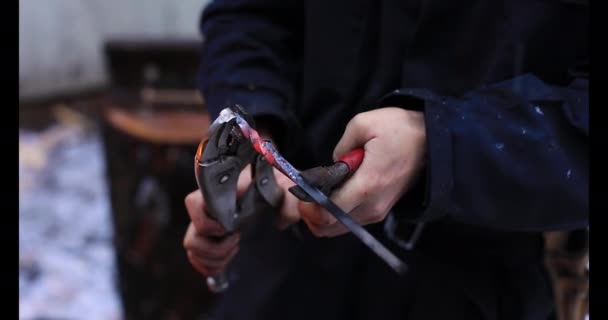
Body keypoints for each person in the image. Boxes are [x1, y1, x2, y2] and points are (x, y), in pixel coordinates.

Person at [183, 1, 589, 319]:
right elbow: (249, 17)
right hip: (282, 273)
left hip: (478, 286)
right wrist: (258, 128)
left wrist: (438, 142)